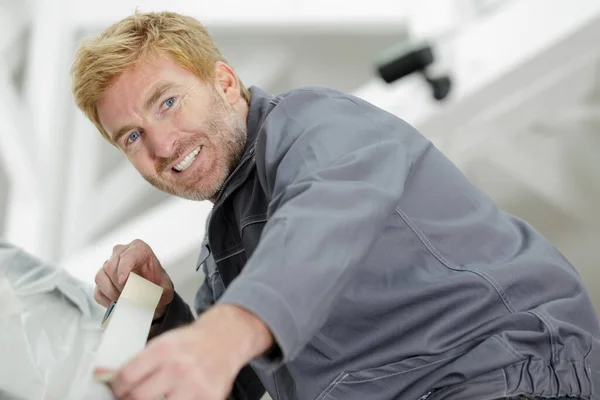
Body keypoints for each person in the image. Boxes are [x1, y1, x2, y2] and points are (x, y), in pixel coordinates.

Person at [70, 11, 600, 400]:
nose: (161, 145)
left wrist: (223, 333)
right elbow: (235, 387)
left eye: (167, 102)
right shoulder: (227, 247)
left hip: (502, 374)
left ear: (225, 84)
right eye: (132, 136)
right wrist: (164, 317)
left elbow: (323, 219)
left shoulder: (313, 124)